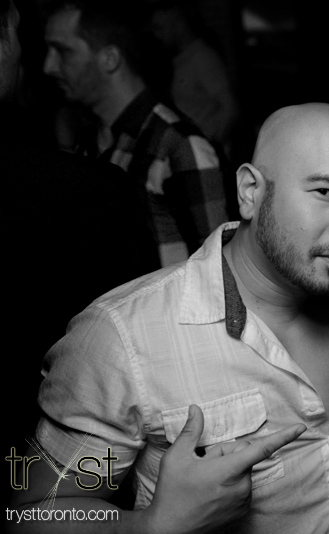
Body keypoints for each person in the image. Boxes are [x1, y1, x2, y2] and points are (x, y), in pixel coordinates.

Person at [9, 103, 329, 533]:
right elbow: (30, 512)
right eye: (325, 192)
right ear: (250, 191)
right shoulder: (122, 338)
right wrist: (153, 525)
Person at [1, 0, 159, 507]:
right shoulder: (86, 182)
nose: (45, 66)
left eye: (61, 51)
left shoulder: (171, 149)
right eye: (28, 42)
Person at [42, 0, 229, 267]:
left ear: (110, 59)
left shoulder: (178, 144)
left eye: (63, 51)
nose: (48, 66)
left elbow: (216, 270)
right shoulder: (90, 138)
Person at [149, 0, 240, 154]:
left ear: (177, 22)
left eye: (160, 28)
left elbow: (230, 108)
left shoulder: (202, 57)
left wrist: (210, 148)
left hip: (206, 157)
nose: (157, 35)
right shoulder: (175, 60)